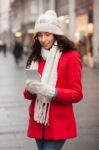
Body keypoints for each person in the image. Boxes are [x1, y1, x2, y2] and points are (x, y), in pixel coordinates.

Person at [23, 10, 83, 150]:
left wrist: (52, 92)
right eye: (40, 35)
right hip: (38, 122)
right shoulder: (35, 57)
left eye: (47, 34)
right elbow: (26, 94)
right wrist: (30, 89)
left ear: (56, 34)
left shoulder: (71, 56)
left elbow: (77, 94)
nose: (43, 39)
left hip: (58, 123)